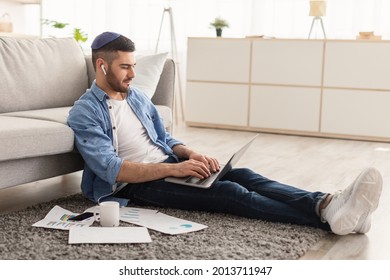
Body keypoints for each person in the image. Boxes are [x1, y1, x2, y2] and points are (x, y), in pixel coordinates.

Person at [68, 32, 383, 235]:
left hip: (165, 164)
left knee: (244, 175)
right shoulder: (85, 112)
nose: (133, 74)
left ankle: (328, 203)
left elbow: (164, 139)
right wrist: (175, 169)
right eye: (125, 67)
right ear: (102, 66)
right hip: (130, 187)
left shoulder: (135, 96)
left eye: (134, 65)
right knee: (231, 194)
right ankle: (329, 219)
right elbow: (112, 168)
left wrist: (189, 154)